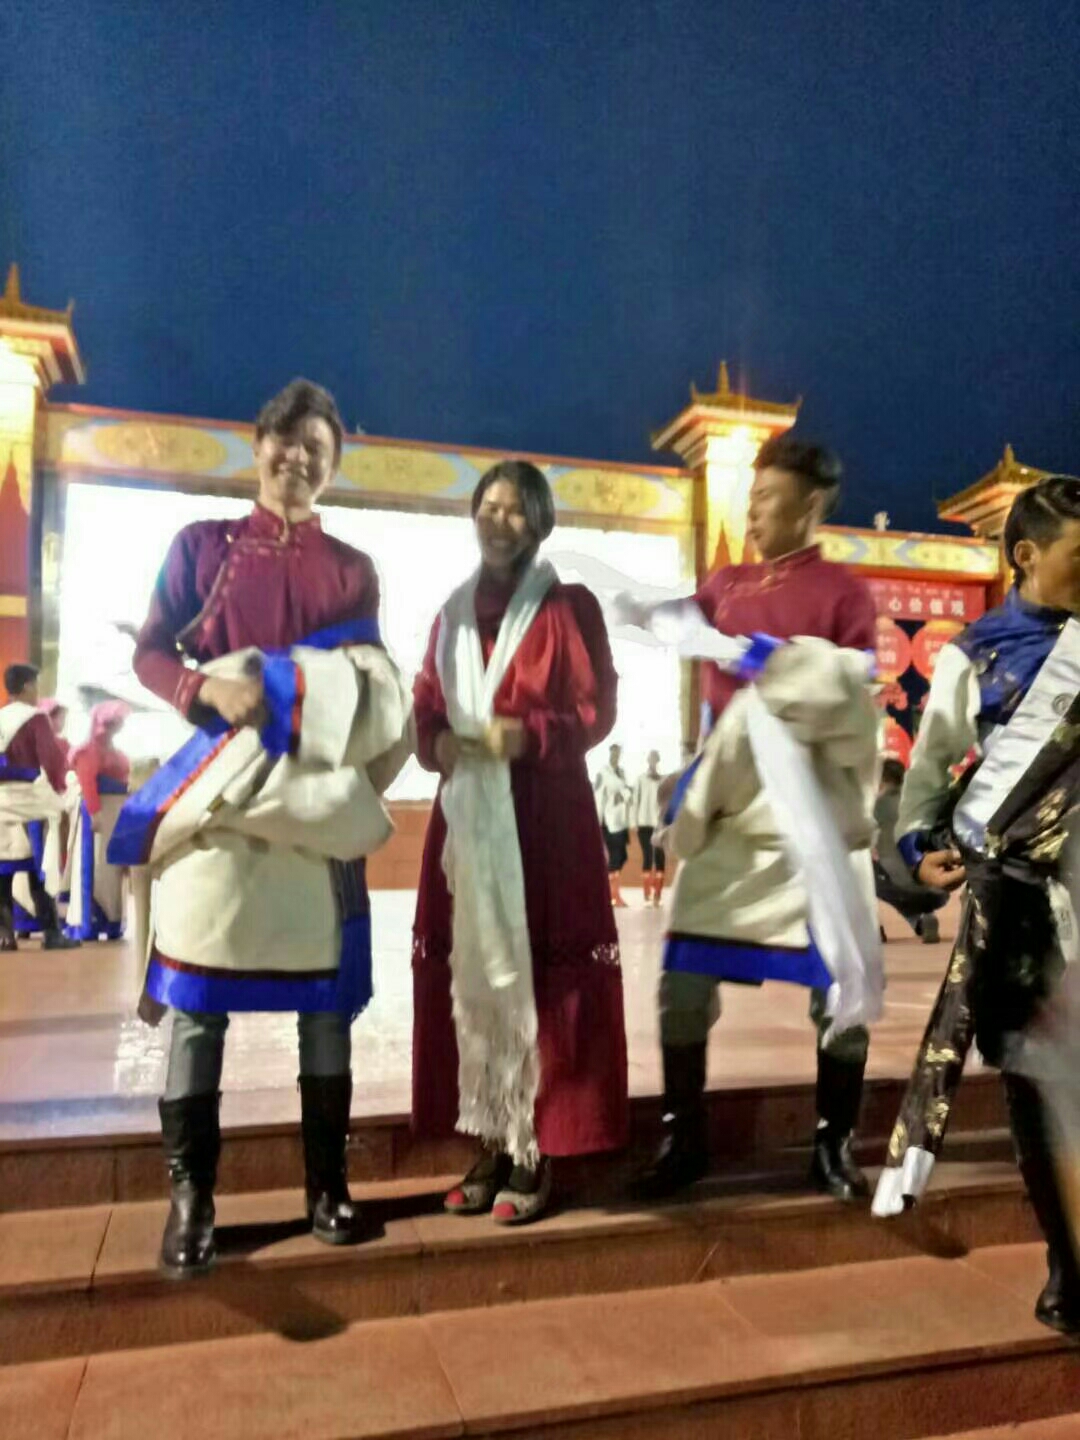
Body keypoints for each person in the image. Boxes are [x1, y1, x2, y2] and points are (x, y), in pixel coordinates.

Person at [122, 378, 409, 1276]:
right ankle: (191, 1201)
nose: (299, 460)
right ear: (258, 446)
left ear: (333, 466)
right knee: (197, 1004)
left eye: (317, 449)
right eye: (287, 443)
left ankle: (326, 1185)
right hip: (220, 796)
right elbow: (150, 650)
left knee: (324, 1007)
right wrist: (204, 687)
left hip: (312, 803)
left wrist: (314, 695)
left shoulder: (354, 568)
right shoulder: (201, 547)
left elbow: (370, 681)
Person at [623, 435, 881, 1201]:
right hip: (730, 808)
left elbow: (852, 691)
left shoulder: (844, 593)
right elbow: (664, 623)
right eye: (752, 495)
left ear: (811, 503)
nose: (754, 509)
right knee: (683, 984)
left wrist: (771, 662)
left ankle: (834, 1146)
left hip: (812, 813)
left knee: (841, 989)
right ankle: (684, 1139)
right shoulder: (724, 585)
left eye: (768, 495)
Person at [874, 476, 1080, 1337]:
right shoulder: (977, 654)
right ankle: (1068, 1264)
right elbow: (926, 784)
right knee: (1039, 1082)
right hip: (1023, 905)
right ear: (1026, 555)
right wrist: (918, 851)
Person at [411, 459, 628, 1225]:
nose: (499, 521)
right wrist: (435, 742)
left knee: (543, 981)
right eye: (488, 507)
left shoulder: (569, 607)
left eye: (514, 509)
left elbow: (596, 711)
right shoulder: (451, 614)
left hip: (544, 817)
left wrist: (524, 735)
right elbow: (426, 704)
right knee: (478, 979)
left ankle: (536, 1147)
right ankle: (492, 1138)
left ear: (539, 523)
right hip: (469, 818)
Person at [0, 664, 79, 951]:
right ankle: (52, 933)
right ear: (25, 686)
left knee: (2, 872)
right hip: (30, 802)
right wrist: (60, 789)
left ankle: (4, 935)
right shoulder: (35, 719)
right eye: (35, 684)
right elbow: (52, 760)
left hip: (1, 802)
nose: (37, 691)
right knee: (40, 869)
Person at [66, 701, 132, 942]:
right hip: (99, 813)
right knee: (96, 866)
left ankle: (112, 920)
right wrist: (94, 813)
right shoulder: (88, 751)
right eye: (115, 723)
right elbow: (88, 783)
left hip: (116, 813)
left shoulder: (114, 751)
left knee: (112, 868)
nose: (118, 726)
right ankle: (91, 922)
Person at [872, 758, 948, 943]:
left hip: (899, 885)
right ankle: (921, 920)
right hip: (937, 886)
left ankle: (872, 925)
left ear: (881, 780)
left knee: (859, 869)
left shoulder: (875, 806)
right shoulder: (918, 802)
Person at [594, 743, 634, 906]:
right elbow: (599, 795)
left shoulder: (622, 772)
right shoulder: (603, 773)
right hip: (608, 821)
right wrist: (597, 820)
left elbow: (627, 792)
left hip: (621, 820)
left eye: (618, 753)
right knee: (614, 857)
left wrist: (624, 794)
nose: (616, 756)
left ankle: (611, 893)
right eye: (613, 753)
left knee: (621, 857)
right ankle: (613, 895)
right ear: (610, 753)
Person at [632, 750, 666, 906]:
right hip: (644, 823)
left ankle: (657, 895)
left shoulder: (663, 780)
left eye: (655, 758)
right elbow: (635, 801)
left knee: (660, 857)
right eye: (650, 758)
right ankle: (647, 894)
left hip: (659, 824)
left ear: (658, 760)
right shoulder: (640, 779)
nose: (653, 761)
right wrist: (634, 822)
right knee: (647, 856)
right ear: (647, 760)